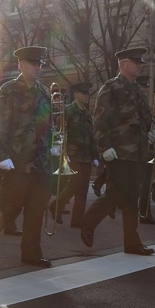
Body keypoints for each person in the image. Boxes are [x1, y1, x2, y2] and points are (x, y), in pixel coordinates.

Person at [0, 46, 56, 267]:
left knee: (36, 207)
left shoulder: (44, 92)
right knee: (12, 204)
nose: (37, 67)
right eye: (33, 64)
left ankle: (31, 253)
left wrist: (55, 146)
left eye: (39, 64)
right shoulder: (8, 91)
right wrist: (0, 154)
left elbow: (48, 125)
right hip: (17, 159)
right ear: (21, 65)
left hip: (41, 161)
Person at [79, 47, 155, 256]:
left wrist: (150, 133)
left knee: (132, 197)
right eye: (136, 62)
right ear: (123, 65)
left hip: (137, 152)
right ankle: (88, 221)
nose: (140, 65)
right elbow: (100, 119)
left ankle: (132, 243)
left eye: (141, 62)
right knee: (116, 192)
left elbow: (145, 118)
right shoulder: (111, 87)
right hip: (118, 151)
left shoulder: (138, 90)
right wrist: (105, 147)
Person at [49, 82, 96, 227]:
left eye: (88, 93)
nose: (87, 96)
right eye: (84, 93)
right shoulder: (67, 112)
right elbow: (59, 132)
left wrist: (95, 155)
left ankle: (77, 220)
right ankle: (56, 204)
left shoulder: (87, 114)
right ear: (76, 95)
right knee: (76, 183)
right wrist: (63, 152)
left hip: (86, 155)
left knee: (83, 189)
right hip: (72, 154)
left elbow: (91, 136)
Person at [136, 75, 155, 225]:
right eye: (142, 87)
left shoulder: (148, 107)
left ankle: (145, 213)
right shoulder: (135, 106)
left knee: (146, 184)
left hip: (147, 150)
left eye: (146, 88)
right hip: (135, 150)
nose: (145, 90)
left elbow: (152, 123)